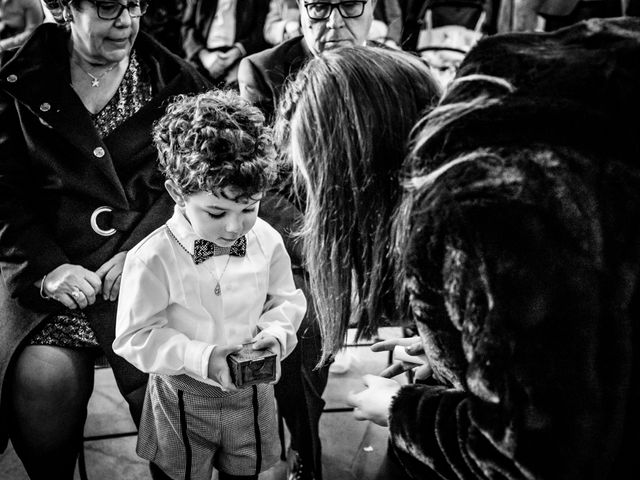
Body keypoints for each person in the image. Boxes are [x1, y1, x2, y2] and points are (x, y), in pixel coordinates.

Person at [277, 17, 640, 479]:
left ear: (354, 173)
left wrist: (402, 410)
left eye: (319, 184)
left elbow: (534, 450)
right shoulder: (486, 128)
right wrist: (457, 349)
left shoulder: (468, 207)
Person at [0, 1, 210, 478]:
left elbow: (198, 186)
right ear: (61, 8)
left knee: (174, 378)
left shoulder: (175, 80)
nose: (127, 20)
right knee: (43, 372)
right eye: (110, 5)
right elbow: (3, 193)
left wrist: (146, 254)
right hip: (52, 269)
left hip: (150, 265)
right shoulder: (13, 77)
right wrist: (47, 270)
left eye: (134, 4)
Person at [113, 90, 306, 480]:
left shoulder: (266, 240)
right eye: (216, 212)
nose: (234, 227)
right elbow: (135, 337)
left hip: (253, 395)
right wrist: (203, 356)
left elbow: (285, 300)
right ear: (177, 194)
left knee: (245, 474)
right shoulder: (151, 258)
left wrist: (277, 333)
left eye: (248, 209)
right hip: (182, 398)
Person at [238, 4, 384, 480]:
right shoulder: (264, 71)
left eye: (350, 5)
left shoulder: (391, 69)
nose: (334, 22)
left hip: (376, 233)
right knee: (300, 319)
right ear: (297, 9)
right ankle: (306, 450)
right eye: (318, 6)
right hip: (303, 237)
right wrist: (324, 248)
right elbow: (266, 186)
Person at [181, 0, 268, 88]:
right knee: (187, 80)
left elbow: (258, 31)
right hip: (202, 54)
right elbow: (187, 27)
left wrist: (236, 52)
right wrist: (205, 56)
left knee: (243, 82)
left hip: (238, 55)